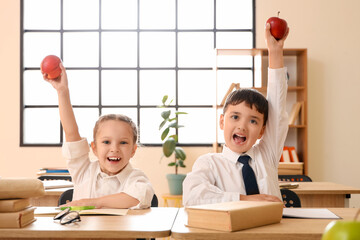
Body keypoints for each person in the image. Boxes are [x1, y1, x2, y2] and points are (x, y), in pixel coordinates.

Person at [183, 22, 290, 206]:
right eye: (235, 117)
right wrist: (245, 200)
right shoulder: (209, 163)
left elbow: (278, 110)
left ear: (263, 130)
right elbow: (192, 197)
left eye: (253, 121)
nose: (242, 126)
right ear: (222, 122)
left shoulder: (267, 155)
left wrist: (275, 52)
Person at [42, 65, 154, 209]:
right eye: (106, 142)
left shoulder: (136, 178)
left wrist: (92, 203)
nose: (114, 149)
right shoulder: (83, 171)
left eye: (123, 143)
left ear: (133, 150)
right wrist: (62, 91)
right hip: (83, 232)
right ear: (94, 148)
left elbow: (138, 198)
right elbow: (71, 133)